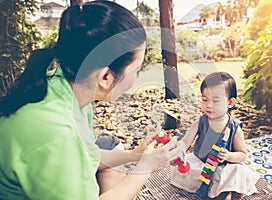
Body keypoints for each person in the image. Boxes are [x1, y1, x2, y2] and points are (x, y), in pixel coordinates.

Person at [0, 1, 180, 199]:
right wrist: (144, 168)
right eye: (136, 70)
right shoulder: (58, 133)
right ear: (105, 77)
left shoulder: (64, 89)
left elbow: (90, 156)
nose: (136, 78)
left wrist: (137, 155)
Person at [171, 72, 260, 199]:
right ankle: (215, 189)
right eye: (205, 99)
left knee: (236, 172)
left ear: (230, 103)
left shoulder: (234, 128)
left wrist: (229, 156)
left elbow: (242, 155)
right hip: (201, 164)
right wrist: (179, 154)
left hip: (222, 167)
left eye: (216, 100)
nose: (209, 105)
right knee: (188, 170)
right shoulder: (200, 122)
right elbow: (185, 143)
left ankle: (225, 192)